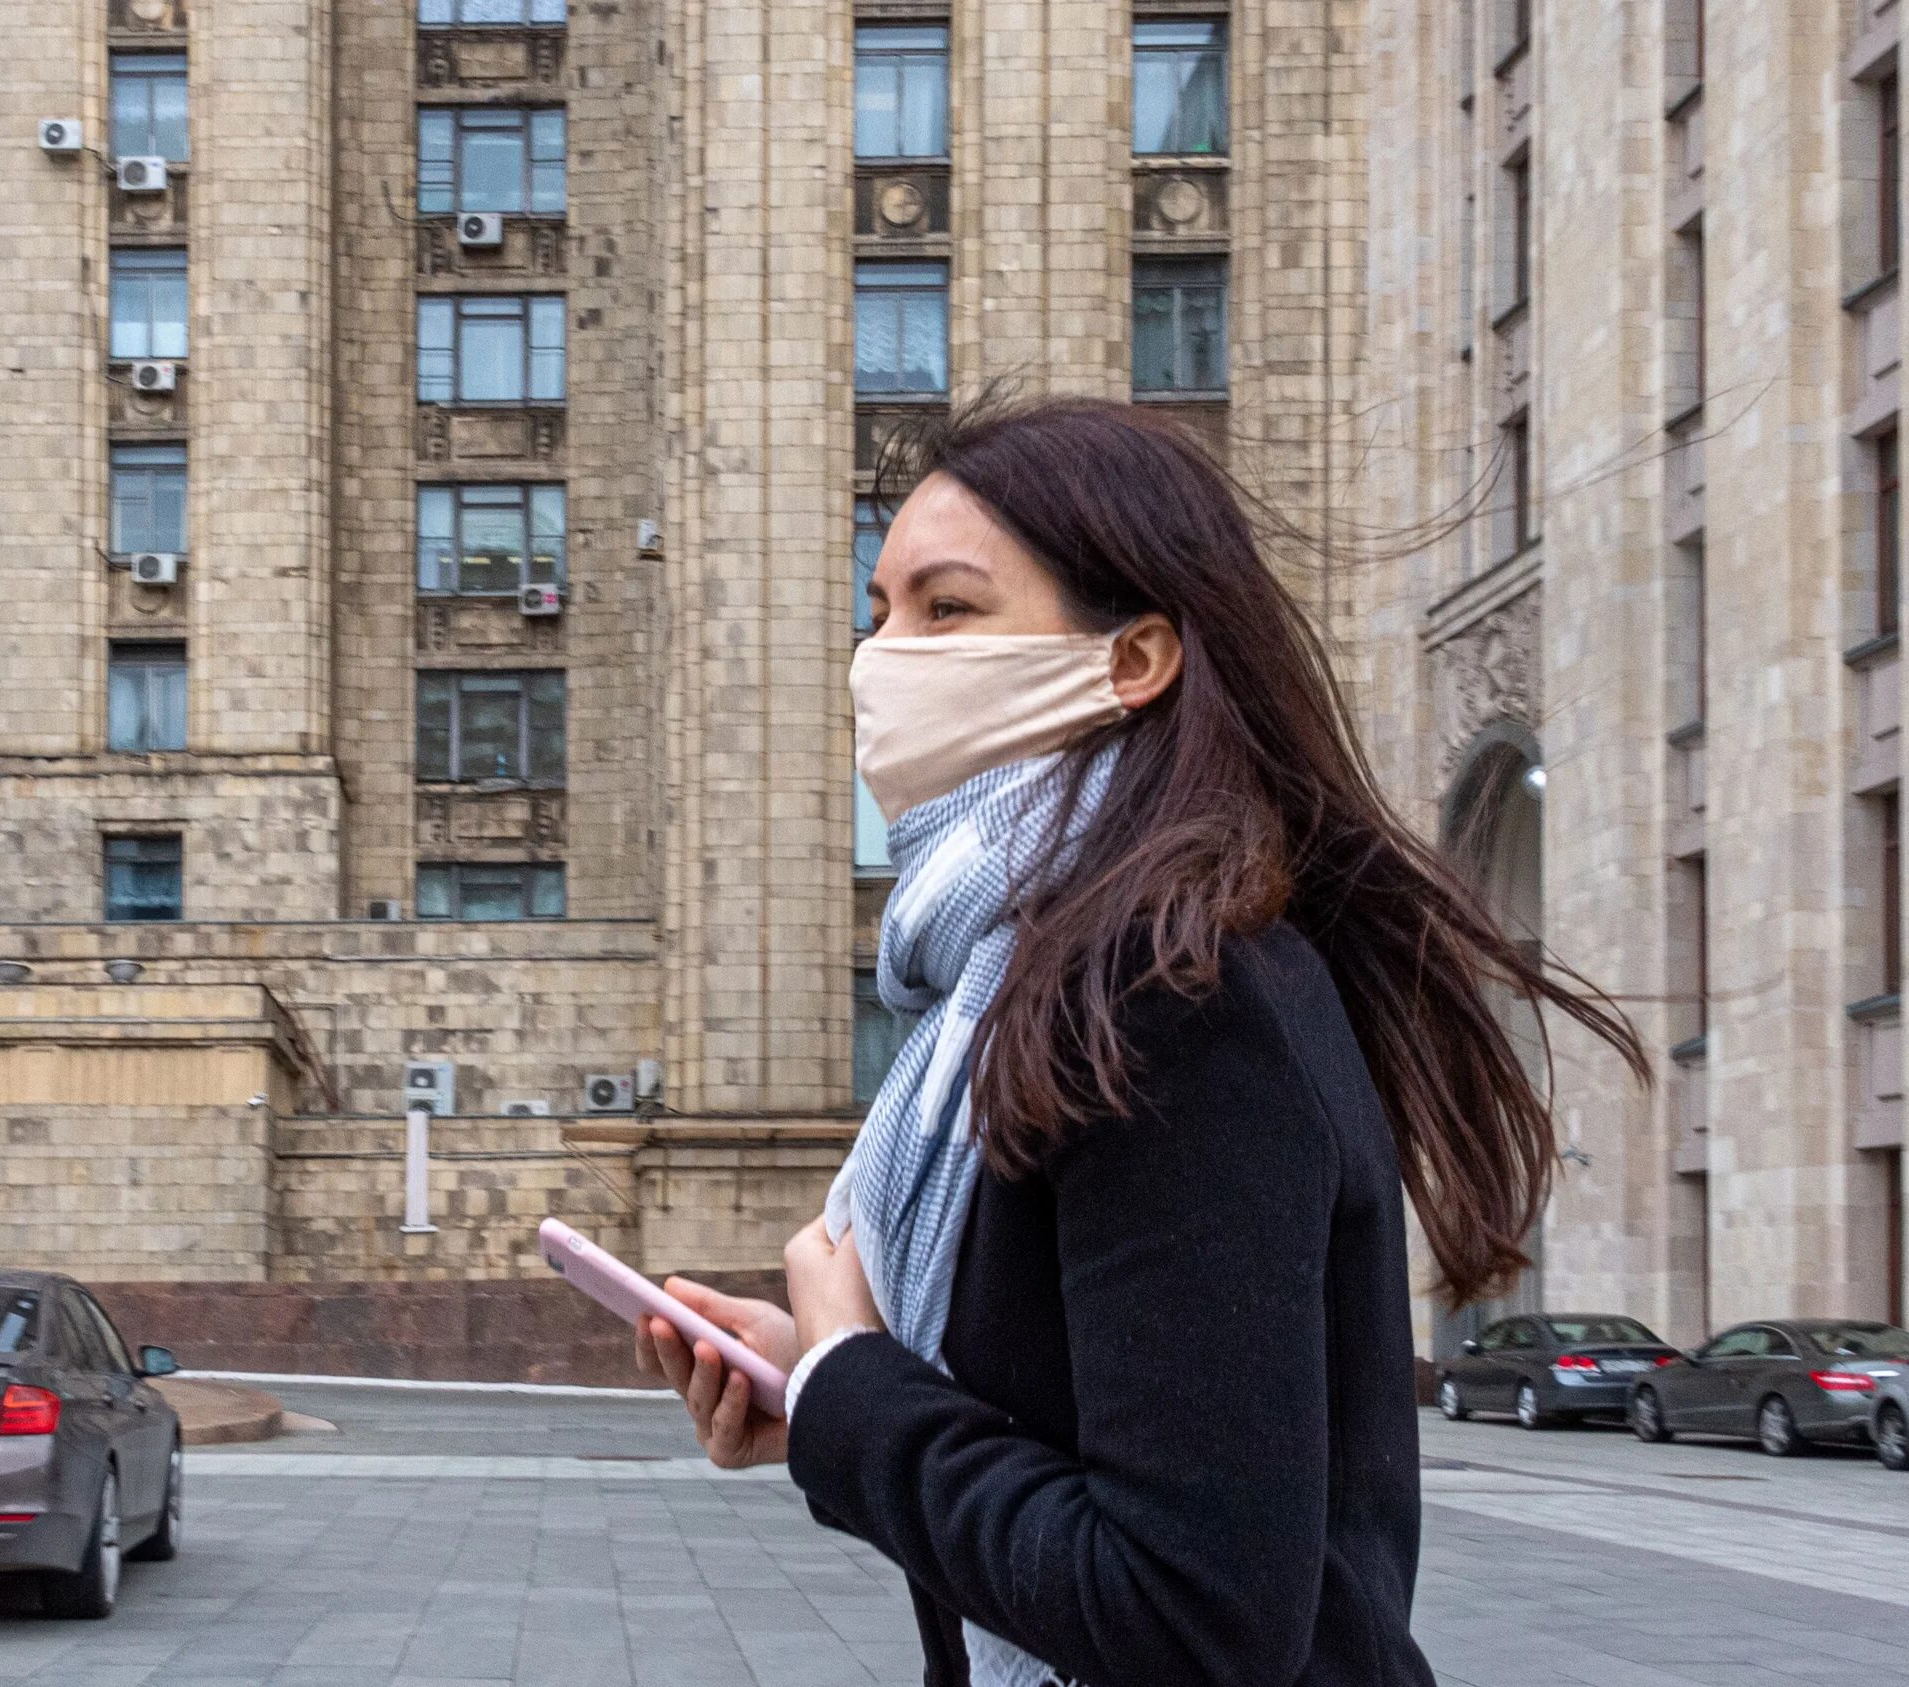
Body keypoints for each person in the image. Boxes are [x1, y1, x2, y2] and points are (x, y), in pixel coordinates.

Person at [637, 397, 1639, 1687]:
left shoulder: (1175, 991)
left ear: (1135, 659)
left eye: (947, 610)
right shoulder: (1027, 975)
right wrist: (815, 1387)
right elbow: (1081, 1436)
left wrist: (857, 1393)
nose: (881, 658)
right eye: (876, 610)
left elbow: (1193, 1618)